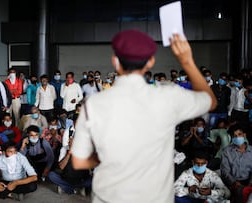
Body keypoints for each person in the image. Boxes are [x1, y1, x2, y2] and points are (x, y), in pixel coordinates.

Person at [71, 30, 217, 202]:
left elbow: (79, 162)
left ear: (115, 62)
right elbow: (210, 101)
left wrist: (102, 157)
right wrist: (187, 61)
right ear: (150, 62)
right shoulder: (168, 97)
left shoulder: (93, 104)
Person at [221, 124, 252, 203]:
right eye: (234, 136)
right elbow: (225, 171)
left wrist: (250, 183)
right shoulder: (227, 151)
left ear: (244, 135)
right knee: (240, 191)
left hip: (249, 181)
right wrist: (234, 182)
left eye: (239, 134)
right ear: (232, 137)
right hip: (234, 182)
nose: (237, 137)